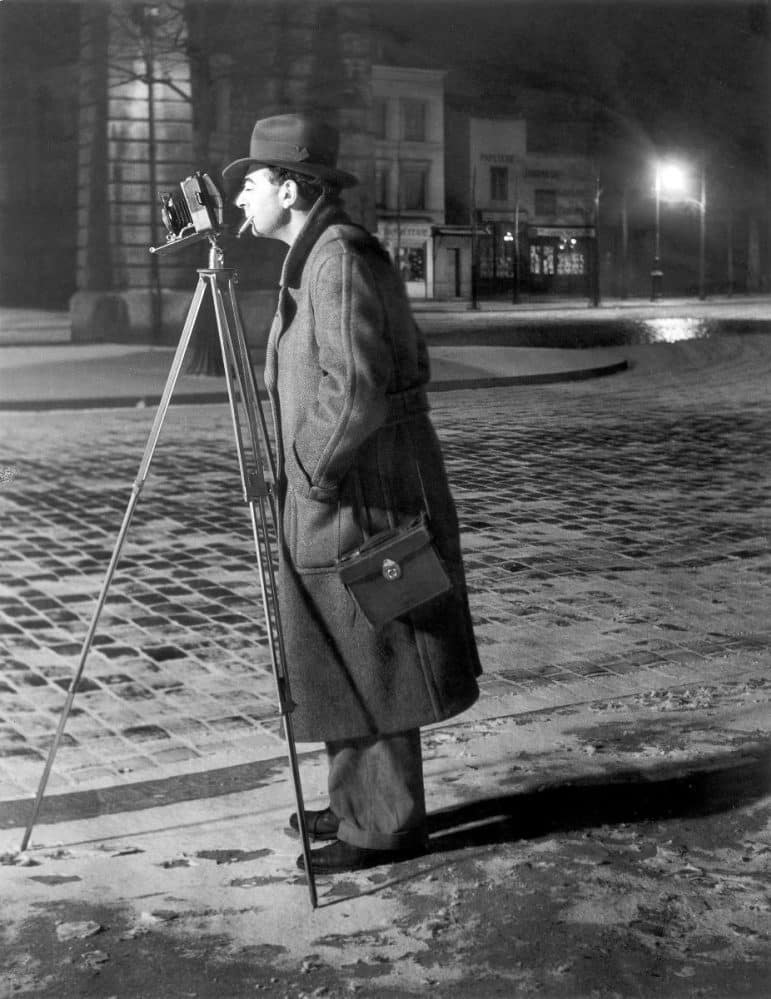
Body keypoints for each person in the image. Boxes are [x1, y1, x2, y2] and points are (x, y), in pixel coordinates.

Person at [223, 113, 482, 875]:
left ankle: (383, 822)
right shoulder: (315, 255)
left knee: (375, 654)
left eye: (252, 182)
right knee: (339, 649)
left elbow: (356, 387)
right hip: (340, 488)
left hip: (355, 493)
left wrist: (310, 474)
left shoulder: (336, 258)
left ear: (292, 187)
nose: (241, 198)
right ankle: (353, 797)